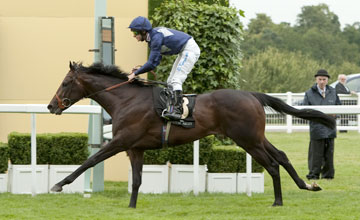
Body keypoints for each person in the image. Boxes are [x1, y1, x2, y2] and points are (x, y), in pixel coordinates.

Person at [127, 16, 201, 120]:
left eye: (135, 33)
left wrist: (135, 73)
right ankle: (170, 108)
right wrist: (138, 71)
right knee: (170, 81)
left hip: (190, 49)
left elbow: (151, 63)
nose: (134, 36)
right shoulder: (152, 38)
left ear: (143, 31)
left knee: (176, 80)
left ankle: (177, 111)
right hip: (184, 50)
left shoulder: (156, 38)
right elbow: (154, 63)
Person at [303, 69, 341, 180]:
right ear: (316, 79)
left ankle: (328, 175)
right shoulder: (309, 93)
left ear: (327, 80)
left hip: (330, 127)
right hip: (317, 128)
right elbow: (305, 110)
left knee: (329, 153)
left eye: (324, 79)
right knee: (316, 153)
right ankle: (314, 174)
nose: (322, 81)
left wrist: (335, 114)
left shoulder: (333, 92)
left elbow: (339, 106)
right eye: (320, 79)